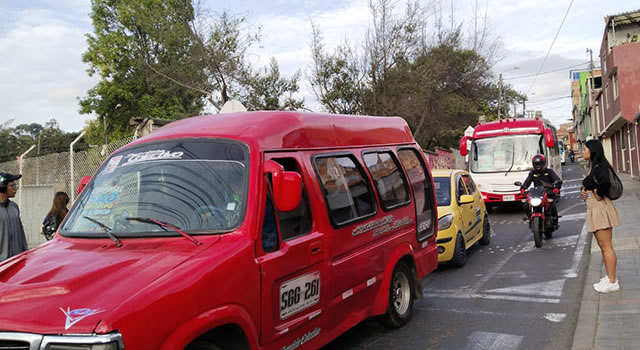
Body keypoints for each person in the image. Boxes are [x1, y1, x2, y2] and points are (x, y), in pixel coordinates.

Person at [581, 139, 621, 293]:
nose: (583, 151)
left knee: (606, 246)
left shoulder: (600, 167)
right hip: (595, 208)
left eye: (585, 149)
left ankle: (612, 281)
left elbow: (605, 183)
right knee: (603, 246)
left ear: (592, 151)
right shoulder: (594, 166)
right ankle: (610, 277)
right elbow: (591, 183)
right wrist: (584, 189)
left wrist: (598, 193)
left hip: (600, 209)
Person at [520, 154, 562, 229]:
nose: (538, 166)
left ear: (543, 163)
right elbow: (527, 182)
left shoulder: (549, 171)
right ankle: (530, 219)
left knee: (552, 205)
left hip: (548, 193)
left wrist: (556, 188)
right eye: (536, 164)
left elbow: (557, 180)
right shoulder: (532, 173)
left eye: (539, 163)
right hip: (537, 194)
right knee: (526, 205)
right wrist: (523, 188)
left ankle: (555, 221)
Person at [0, 172, 28, 261]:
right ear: (2, 187)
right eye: (12, 186)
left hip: (16, 259)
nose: (15, 189)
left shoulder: (14, 206)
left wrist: (25, 251)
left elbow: (20, 230)